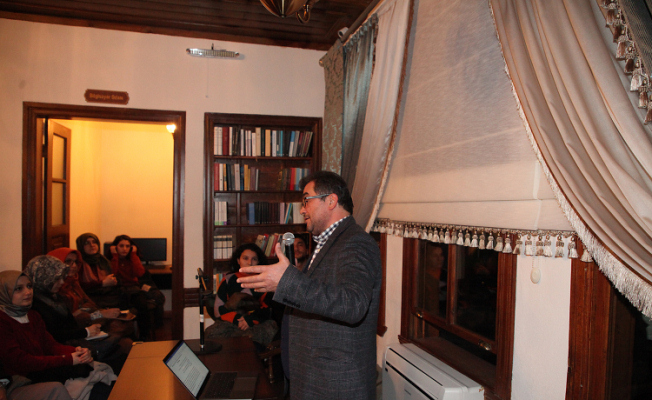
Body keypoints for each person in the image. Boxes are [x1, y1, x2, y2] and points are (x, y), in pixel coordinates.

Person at [238, 171, 382, 400]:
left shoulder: (356, 242)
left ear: (331, 201)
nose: (302, 210)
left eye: (306, 200)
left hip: (335, 384)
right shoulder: (326, 243)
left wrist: (287, 282)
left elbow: (352, 304)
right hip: (312, 377)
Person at [0, 270, 114, 400]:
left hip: (44, 368)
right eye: (18, 289)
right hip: (24, 378)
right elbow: (20, 361)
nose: (27, 292)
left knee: (100, 376)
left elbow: (49, 345)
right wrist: (68, 358)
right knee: (96, 387)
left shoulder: (32, 315)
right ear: (4, 293)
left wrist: (76, 351)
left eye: (29, 286)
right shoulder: (3, 321)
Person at [24, 256, 131, 374]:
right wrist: (86, 331)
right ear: (44, 279)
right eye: (56, 279)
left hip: (75, 340)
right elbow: (54, 336)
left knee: (124, 343)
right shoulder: (35, 305)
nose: (61, 282)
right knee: (123, 349)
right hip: (64, 349)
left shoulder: (54, 297)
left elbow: (72, 322)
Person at [205, 243, 278, 347]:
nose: (249, 262)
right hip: (231, 322)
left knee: (257, 336)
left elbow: (268, 310)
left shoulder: (265, 281)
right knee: (210, 333)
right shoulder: (228, 280)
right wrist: (237, 319)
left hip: (256, 323)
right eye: (245, 258)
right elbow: (218, 309)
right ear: (238, 260)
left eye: (254, 259)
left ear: (259, 262)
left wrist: (250, 320)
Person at [46, 248, 133, 335]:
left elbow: (88, 303)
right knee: (119, 331)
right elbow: (68, 319)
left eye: (76, 262)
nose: (74, 266)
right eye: (68, 261)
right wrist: (99, 314)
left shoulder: (74, 281)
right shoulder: (55, 287)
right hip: (77, 330)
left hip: (88, 321)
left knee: (125, 325)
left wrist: (84, 310)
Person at [109, 235, 166, 339]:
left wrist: (134, 255)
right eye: (121, 246)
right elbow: (113, 274)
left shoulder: (132, 259)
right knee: (125, 306)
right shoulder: (111, 260)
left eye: (127, 246)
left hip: (134, 289)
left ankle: (145, 337)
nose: (125, 249)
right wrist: (115, 256)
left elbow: (139, 273)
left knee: (143, 304)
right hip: (118, 291)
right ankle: (130, 336)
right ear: (115, 247)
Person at [75, 233, 124, 309]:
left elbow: (114, 273)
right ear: (81, 246)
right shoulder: (78, 264)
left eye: (94, 242)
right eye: (87, 243)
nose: (92, 245)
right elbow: (79, 286)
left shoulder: (103, 260)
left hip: (106, 294)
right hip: (90, 297)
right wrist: (102, 283)